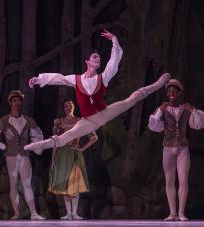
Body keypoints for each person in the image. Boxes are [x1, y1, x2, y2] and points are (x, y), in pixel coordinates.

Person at [24, 29, 170, 153]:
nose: (98, 59)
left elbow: (114, 61)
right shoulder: (76, 80)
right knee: (66, 137)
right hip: (89, 121)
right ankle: (40, 145)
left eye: (99, 58)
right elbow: (58, 78)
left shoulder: (103, 78)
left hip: (105, 113)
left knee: (132, 99)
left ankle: (158, 83)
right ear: (87, 61)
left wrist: (114, 40)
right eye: (95, 57)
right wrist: (38, 79)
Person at [148, 79, 204, 221]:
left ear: (179, 93)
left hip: (183, 148)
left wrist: (192, 110)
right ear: (167, 92)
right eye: (169, 91)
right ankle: (172, 213)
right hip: (168, 148)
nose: (172, 93)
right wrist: (160, 110)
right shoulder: (163, 109)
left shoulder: (185, 109)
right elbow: (154, 126)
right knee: (169, 181)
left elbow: (198, 124)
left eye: (175, 91)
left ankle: (181, 212)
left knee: (183, 180)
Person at [0, 90, 45, 220]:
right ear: (10, 103)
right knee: (13, 183)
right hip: (10, 156)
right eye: (14, 101)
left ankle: (34, 213)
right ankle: (17, 213)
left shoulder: (28, 120)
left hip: (24, 155)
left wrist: (34, 146)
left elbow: (38, 135)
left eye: (19, 101)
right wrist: (3, 146)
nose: (17, 103)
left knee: (26, 183)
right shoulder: (3, 120)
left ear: (21, 102)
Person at [49, 99, 98, 220]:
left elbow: (94, 137)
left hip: (74, 154)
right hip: (61, 155)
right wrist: (53, 159)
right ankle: (68, 213)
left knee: (74, 183)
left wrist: (82, 148)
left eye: (70, 105)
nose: (68, 107)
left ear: (74, 107)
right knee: (65, 184)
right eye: (66, 106)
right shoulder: (58, 122)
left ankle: (75, 213)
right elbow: (55, 141)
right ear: (63, 108)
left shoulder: (80, 121)